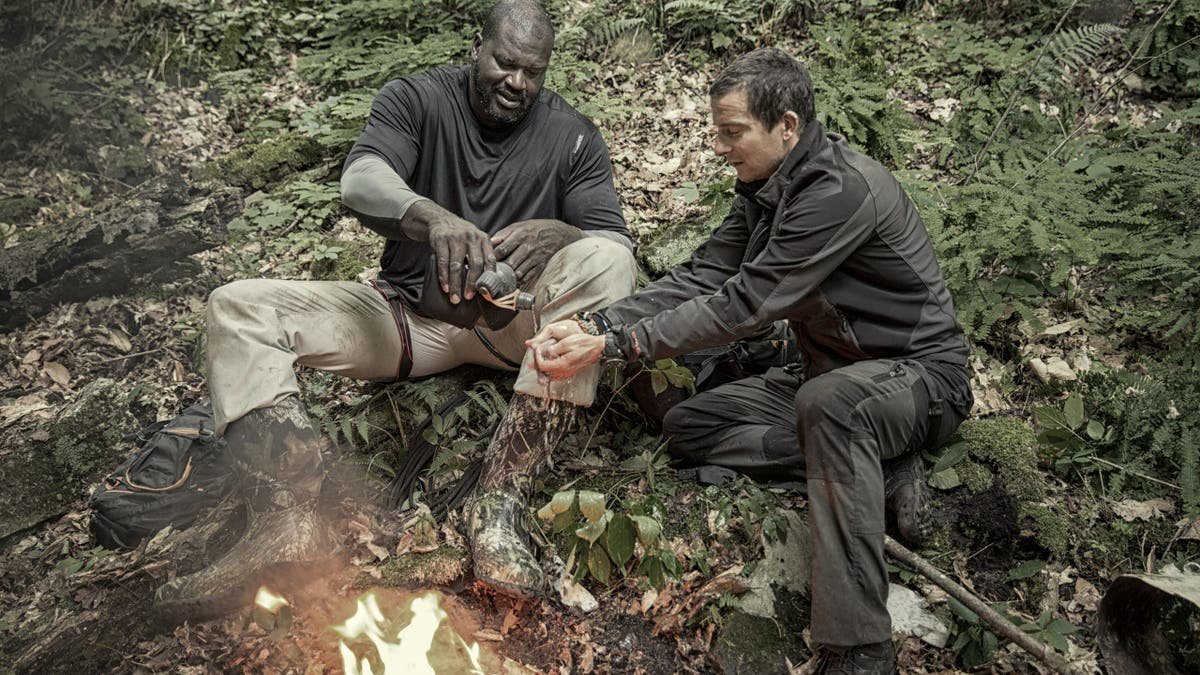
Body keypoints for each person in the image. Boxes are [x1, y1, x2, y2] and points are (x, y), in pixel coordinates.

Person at [155, 0, 636, 614]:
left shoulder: (572, 137)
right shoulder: (418, 98)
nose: (515, 83)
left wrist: (563, 237)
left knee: (607, 261)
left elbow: (617, 247)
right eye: (504, 63)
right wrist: (430, 218)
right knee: (236, 306)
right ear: (476, 47)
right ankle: (287, 517)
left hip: (517, 333)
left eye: (531, 72)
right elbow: (359, 181)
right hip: (407, 318)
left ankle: (501, 504)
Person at [529, 48, 973, 674]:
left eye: (732, 132)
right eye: (717, 131)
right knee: (690, 428)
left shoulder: (838, 190)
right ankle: (875, 461)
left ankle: (860, 650)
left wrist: (618, 345)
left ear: (786, 127)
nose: (718, 147)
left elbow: (747, 302)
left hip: (920, 379)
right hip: (824, 373)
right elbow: (707, 273)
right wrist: (599, 321)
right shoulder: (765, 188)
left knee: (831, 408)